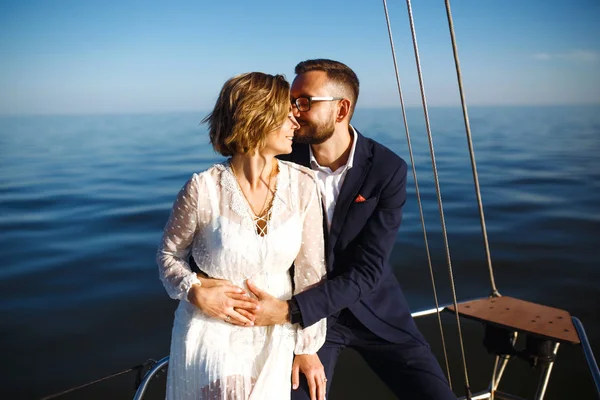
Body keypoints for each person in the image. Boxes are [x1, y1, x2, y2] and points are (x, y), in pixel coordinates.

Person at [238, 59, 457, 400]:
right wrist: (298, 331)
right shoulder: (279, 157)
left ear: (341, 110)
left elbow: (369, 270)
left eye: (305, 102)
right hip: (302, 320)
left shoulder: (387, 169)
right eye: (291, 102)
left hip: (374, 308)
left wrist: (289, 311)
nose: (293, 112)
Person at [156, 72, 328, 400]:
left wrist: (307, 347)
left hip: (276, 334)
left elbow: (311, 274)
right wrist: (195, 292)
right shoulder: (202, 189)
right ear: (257, 118)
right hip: (210, 331)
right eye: (286, 113)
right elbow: (168, 257)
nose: (295, 121)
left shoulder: (304, 186)